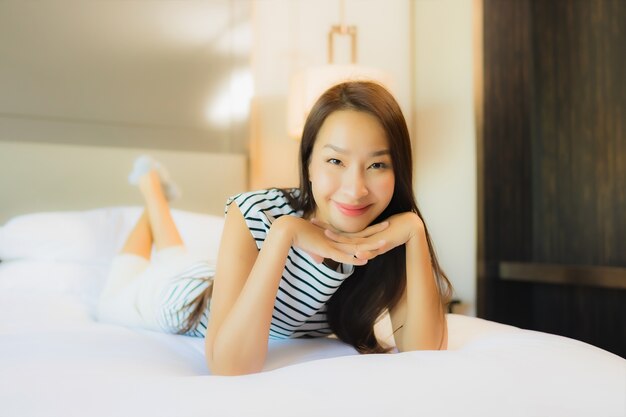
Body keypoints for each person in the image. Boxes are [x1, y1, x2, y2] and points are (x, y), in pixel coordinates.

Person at [97, 81, 453, 377]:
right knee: (122, 289)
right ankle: (150, 190)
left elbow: (424, 353)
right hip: (179, 299)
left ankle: (154, 194)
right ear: (309, 164)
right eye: (335, 161)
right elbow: (229, 367)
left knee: (177, 254)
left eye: (377, 164)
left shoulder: (387, 231)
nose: (355, 188)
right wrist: (284, 234)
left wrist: (415, 231)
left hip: (213, 280)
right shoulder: (256, 212)